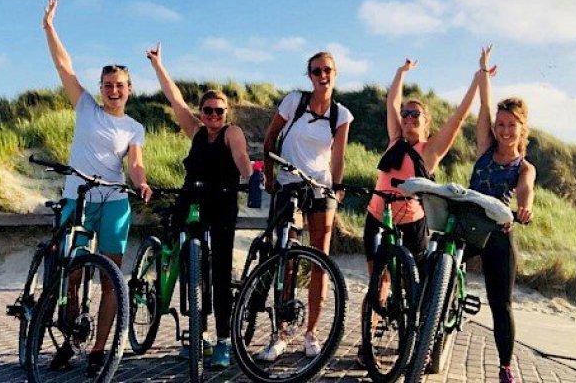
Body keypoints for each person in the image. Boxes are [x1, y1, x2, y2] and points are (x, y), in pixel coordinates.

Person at [41, 0, 152, 376]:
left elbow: (134, 163)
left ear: (129, 89)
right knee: (72, 276)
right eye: (108, 85)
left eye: (120, 85)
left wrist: (143, 183)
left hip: (115, 203)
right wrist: (50, 28)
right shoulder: (85, 106)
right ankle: (71, 341)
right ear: (101, 88)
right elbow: (64, 66)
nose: (113, 90)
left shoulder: (134, 127)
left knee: (109, 279)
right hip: (78, 197)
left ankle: (99, 349)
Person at [359, 57, 479, 363]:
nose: (409, 116)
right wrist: (400, 73)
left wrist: (478, 80)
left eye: (417, 114)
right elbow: (391, 100)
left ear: (426, 122)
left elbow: (458, 118)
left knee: (413, 286)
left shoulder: (430, 150)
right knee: (378, 283)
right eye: (406, 113)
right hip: (377, 218)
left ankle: (412, 337)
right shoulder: (394, 140)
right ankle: (369, 343)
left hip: (411, 223)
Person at [147, 42, 252, 369]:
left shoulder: (231, 133)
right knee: (193, 272)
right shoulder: (195, 130)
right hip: (192, 203)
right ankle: (198, 335)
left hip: (222, 205)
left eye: (219, 111)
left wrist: (252, 177)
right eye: (207, 110)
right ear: (201, 112)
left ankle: (223, 341)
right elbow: (174, 99)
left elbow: (242, 158)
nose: (213, 116)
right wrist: (157, 64)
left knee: (219, 273)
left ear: (226, 113)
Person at [260, 51, 353, 361]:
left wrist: (337, 187)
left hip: (320, 187)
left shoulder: (341, 115)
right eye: (316, 71)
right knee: (286, 257)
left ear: (335, 73)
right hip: (289, 183)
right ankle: (281, 332)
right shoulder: (294, 102)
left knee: (319, 261)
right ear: (309, 75)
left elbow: (338, 156)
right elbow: (270, 136)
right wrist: (271, 176)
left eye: (327, 70)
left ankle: (311, 332)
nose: (322, 75)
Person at [468, 45, 536, 383]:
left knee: (501, 304)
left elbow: (526, 189)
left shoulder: (524, 166)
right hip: (467, 226)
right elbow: (484, 105)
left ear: (522, 130)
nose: (504, 130)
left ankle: (505, 367)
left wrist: (525, 207)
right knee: (436, 262)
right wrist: (482, 71)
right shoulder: (485, 147)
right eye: (501, 125)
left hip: (497, 232)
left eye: (511, 126)